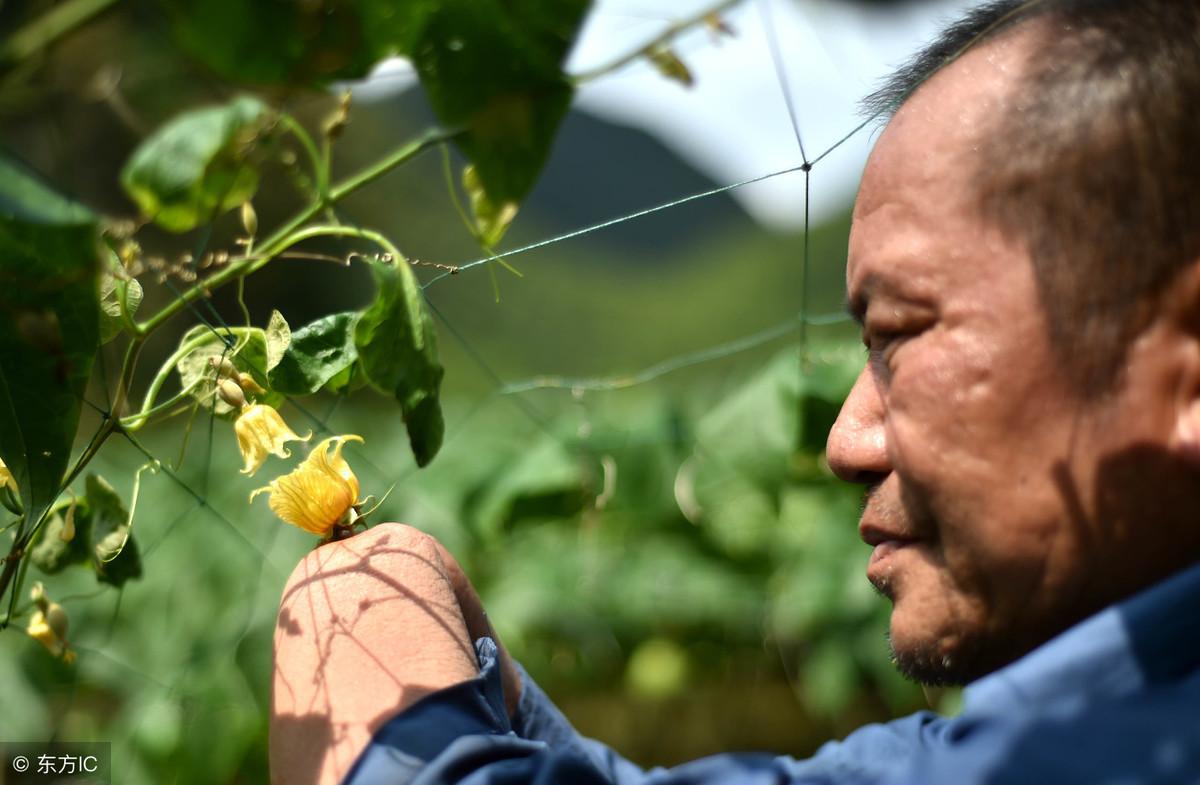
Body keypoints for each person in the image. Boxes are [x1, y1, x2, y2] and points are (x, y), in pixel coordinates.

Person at [269, 1, 1200, 783]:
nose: (845, 441)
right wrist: (484, 679)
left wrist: (357, 606)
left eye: (901, 334)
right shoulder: (1044, 732)